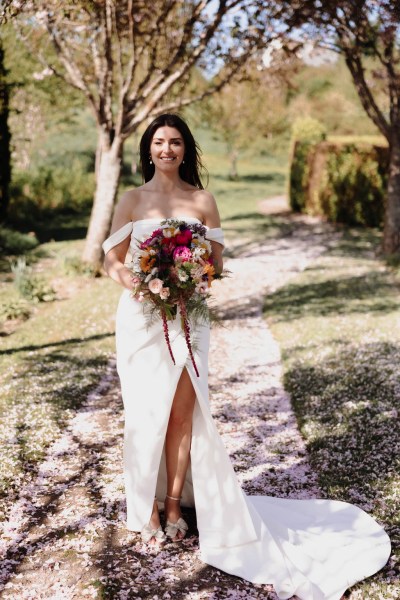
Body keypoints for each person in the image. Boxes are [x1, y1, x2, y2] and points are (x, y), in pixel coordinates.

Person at [102, 113, 391, 600]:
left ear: (185, 148)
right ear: (148, 150)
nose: (167, 149)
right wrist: (140, 282)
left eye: (175, 142)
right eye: (159, 142)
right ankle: (145, 511)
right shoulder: (132, 199)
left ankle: (174, 506)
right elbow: (110, 259)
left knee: (181, 416)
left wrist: (191, 273)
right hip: (140, 319)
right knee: (144, 415)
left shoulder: (202, 201)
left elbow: (216, 264)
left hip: (189, 319)